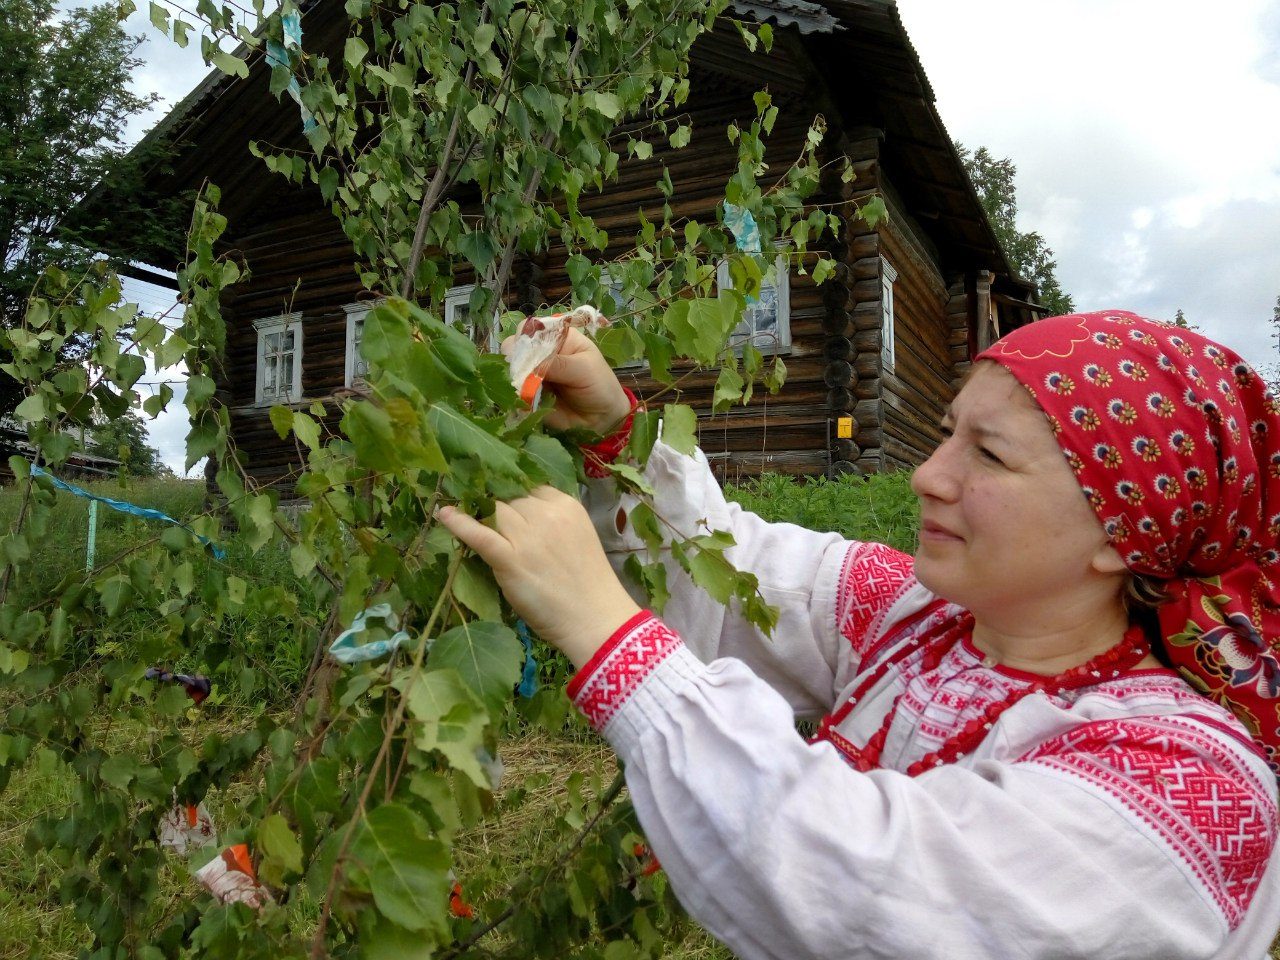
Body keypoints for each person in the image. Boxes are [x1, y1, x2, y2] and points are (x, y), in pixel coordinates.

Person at [436, 309, 1280, 959]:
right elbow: (743, 578)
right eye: (948, 432)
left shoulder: (1190, 787)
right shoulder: (926, 617)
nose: (928, 473)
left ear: (1119, 530)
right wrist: (614, 432)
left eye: (987, 454)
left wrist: (602, 629)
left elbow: (870, 890)